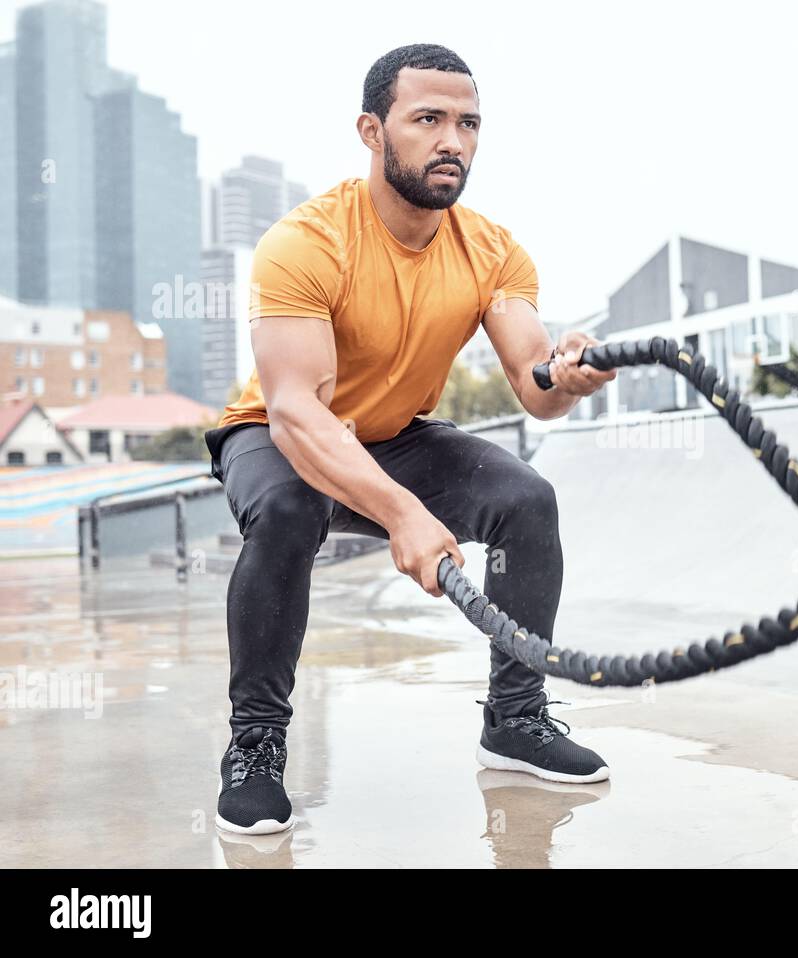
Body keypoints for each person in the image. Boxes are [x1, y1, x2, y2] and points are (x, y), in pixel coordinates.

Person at [204, 43, 617, 835]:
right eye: (427, 119)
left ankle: (515, 721)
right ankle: (255, 746)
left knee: (527, 499)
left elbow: (538, 388)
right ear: (372, 130)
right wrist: (401, 515)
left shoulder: (493, 250)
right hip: (278, 433)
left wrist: (567, 375)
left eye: (467, 123)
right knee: (290, 509)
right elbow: (296, 410)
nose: (452, 141)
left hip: (397, 434)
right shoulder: (306, 242)